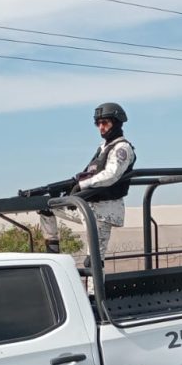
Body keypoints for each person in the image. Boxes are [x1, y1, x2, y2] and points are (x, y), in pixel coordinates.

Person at [40, 102, 137, 260]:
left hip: (104, 212)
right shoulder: (103, 148)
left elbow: (111, 175)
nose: (101, 127)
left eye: (105, 123)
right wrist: (72, 185)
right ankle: (53, 256)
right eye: (98, 123)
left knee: (94, 261)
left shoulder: (122, 148)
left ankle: (94, 286)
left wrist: (81, 186)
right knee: (46, 206)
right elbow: (87, 174)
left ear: (117, 122)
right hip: (89, 207)